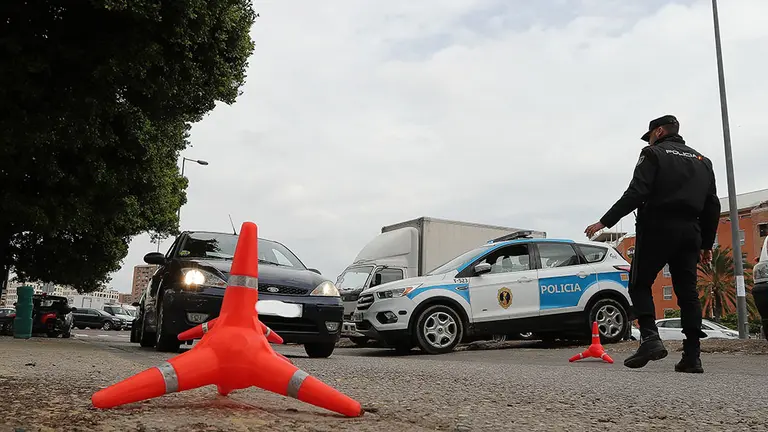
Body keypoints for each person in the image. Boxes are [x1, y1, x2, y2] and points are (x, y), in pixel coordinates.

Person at [585, 115, 720, 373]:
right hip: (691, 231)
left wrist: (605, 222)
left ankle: (650, 338)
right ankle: (692, 356)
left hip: (658, 227)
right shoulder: (704, 162)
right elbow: (713, 204)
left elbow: (637, 192)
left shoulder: (653, 153)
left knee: (640, 282)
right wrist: (706, 244)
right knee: (688, 293)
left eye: (650, 135)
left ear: (658, 131)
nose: (649, 140)